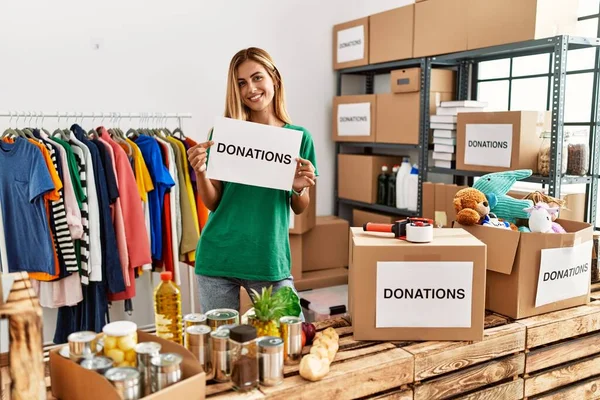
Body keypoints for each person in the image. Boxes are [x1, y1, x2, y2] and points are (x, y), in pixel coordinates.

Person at [187, 47, 318, 314]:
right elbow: (214, 202)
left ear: (274, 79)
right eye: (242, 83)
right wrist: (200, 171)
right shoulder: (224, 133)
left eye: (257, 78)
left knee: (288, 343)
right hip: (217, 258)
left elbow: (299, 207)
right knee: (221, 350)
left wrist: (297, 188)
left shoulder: (299, 137)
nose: (251, 89)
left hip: (268, 260)